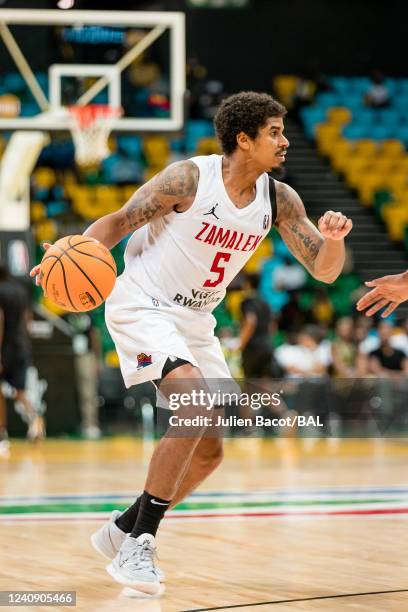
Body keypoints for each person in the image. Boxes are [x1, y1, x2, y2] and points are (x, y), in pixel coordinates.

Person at [31, 91, 353, 594]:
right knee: (196, 409)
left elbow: (325, 271)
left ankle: (121, 530)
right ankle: (139, 545)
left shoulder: (280, 198)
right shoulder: (189, 178)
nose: (285, 141)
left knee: (210, 452)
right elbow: (119, 222)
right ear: (242, 139)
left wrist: (332, 241)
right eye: (273, 132)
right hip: (143, 301)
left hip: (196, 319)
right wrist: (69, 255)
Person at [0, 262, 45, 456]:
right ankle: (35, 419)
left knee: (0, 392)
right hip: (22, 346)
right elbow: (28, 318)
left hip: (5, 347)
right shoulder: (19, 290)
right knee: (20, 393)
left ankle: (2, 436)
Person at [239, 273, 273, 379]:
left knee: (250, 383)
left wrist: (241, 343)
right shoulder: (265, 301)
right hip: (267, 345)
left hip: (252, 348)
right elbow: (272, 325)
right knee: (265, 383)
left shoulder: (248, 301)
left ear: (247, 284)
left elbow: (251, 321)